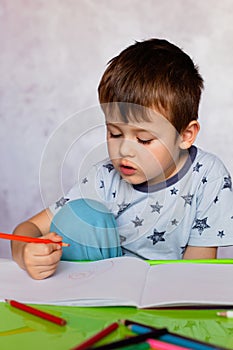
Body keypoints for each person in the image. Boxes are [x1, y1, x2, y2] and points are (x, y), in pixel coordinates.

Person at [12, 38, 233, 279]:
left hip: (172, 294)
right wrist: (26, 252)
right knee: (78, 218)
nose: (125, 151)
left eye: (144, 140)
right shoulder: (104, 177)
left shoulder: (208, 177)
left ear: (185, 135)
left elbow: (196, 274)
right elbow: (27, 229)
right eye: (114, 133)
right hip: (106, 287)